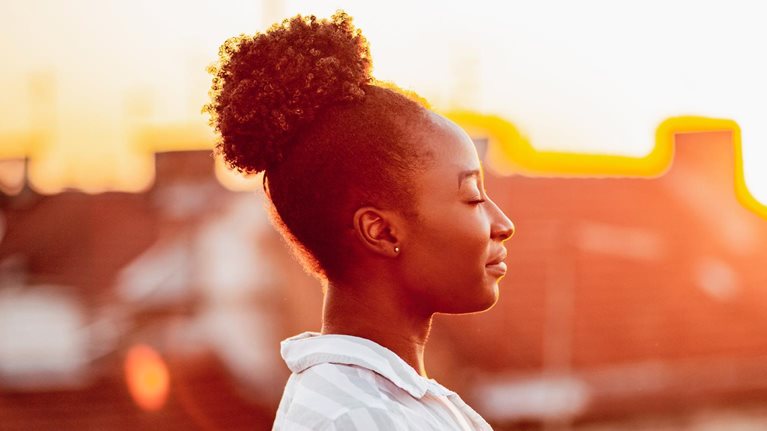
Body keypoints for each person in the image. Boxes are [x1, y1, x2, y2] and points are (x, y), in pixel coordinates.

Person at [204, 10, 514, 430]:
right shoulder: (350, 418)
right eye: (473, 197)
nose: (503, 223)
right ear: (381, 231)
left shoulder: (399, 403)